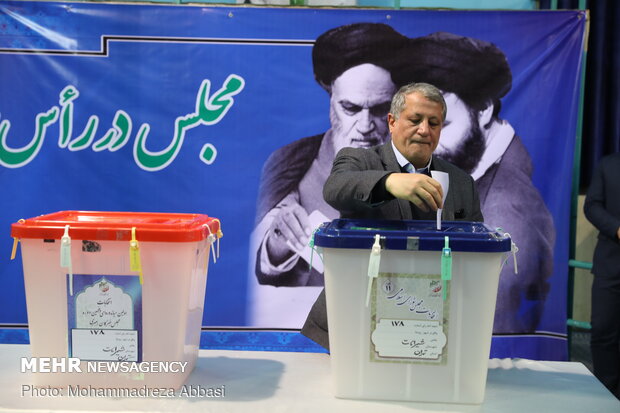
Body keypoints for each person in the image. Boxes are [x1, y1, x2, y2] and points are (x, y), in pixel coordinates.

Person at [301, 82, 483, 349]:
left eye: (434, 123)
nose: (424, 129)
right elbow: (336, 188)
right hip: (354, 322)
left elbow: (475, 251)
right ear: (392, 121)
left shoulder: (461, 182)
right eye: (415, 119)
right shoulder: (358, 159)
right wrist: (389, 182)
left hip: (428, 327)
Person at [403, 32, 556, 333]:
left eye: (440, 125)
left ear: (484, 109)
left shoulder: (508, 209)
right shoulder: (463, 165)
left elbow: (497, 331)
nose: (426, 139)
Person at [251, 23, 409, 287]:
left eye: (381, 109)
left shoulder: (421, 165)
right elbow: (263, 274)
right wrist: (278, 241)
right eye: (351, 108)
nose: (365, 125)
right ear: (331, 99)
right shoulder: (291, 163)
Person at [583, 153, 620, 400]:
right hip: (611, 264)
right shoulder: (608, 164)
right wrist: (616, 228)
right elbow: (592, 205)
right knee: (603, 331)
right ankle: (606, 394)